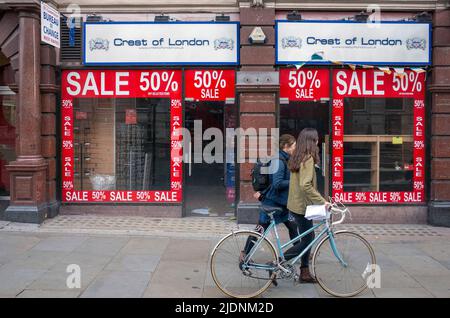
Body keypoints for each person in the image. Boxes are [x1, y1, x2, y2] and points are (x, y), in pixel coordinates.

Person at [242, 134, 300, 258]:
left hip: (282, 202)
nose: (295, 148)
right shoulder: (278, 161)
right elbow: (277, 183)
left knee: (293, 226)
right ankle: (245, 254)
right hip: (272, 203)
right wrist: (295, 181)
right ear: (286, 146)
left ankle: (299, 251)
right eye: (294, 145)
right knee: (260, 230)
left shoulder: (285, 158)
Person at [284, 128, 330, 283]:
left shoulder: (298, 156)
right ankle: (280, 261)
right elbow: (305, 186)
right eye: (316, 139)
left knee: (308, 237)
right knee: (308, 240)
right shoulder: (307, 158)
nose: (318, 142)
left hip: (296, 204)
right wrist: (323, 201)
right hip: (302, 206)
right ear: (312, 141)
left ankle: (304, 272)